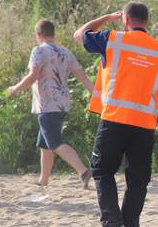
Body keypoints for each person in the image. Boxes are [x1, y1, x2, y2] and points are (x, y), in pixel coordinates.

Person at [74, 3, 158, 227]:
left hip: (114, 120)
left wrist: (107, 17)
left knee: (101, 170)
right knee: (138, 179)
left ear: (125, 20)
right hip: (144, 123)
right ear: (147, 21)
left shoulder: (112, 39)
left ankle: (111, 225)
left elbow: (79, 34)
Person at [7, 19, 95, 188]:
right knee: (45, 143)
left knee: (55, 142)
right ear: (53, 33)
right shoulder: (65, 52)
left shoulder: (38, 51)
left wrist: (15, 89)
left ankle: (83, 171)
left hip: (47, 105)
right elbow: (82, 76)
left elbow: (33, 76)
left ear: (38, 34)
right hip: (62, 104)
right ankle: (43, 179)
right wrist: (96, 95)